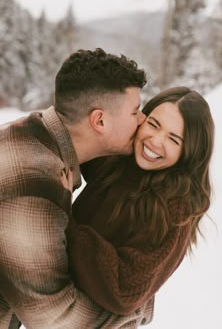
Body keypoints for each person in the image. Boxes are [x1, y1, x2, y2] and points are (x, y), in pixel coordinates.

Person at [0, 48, 152, 329]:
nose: (142, 120)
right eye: (135, 111)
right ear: (99, 121)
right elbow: (54, 318)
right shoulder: (35, 181)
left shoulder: (31, 134)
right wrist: (138, 307)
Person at [66, 86, 215, 320]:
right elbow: (87, 142)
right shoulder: (125, 160)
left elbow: (124, 289)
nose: (155, 141)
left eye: (173, 139)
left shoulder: (175, 207)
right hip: (57, 303)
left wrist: (63, 224)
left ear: (189, 153)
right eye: (154, 124)